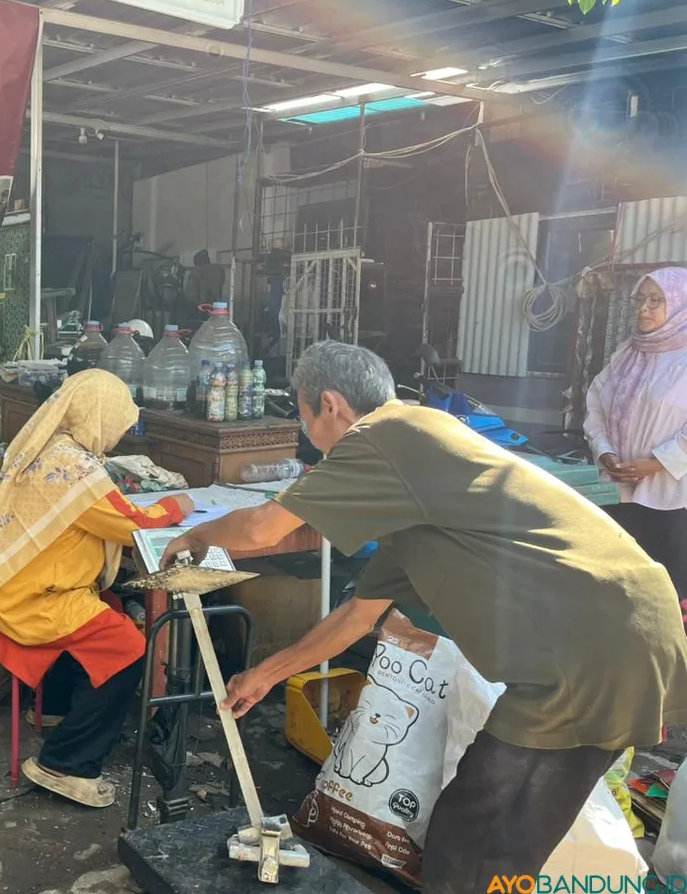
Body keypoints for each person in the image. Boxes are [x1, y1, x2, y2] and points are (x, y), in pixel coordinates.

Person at [163, 340, 687, 894]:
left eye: (302, 414)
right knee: (494, 829)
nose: (305, 432)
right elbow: (355, 619)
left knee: (481, 834)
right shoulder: (419, 471)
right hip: (616, 629)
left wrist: (194, 535)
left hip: (594, 646)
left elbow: (261, 529)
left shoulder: (383, 438)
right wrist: (265, 676)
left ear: (332, 405)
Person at [0, 369, 192, 808]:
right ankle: (66, 763)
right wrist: (176, 506)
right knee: (127, 645)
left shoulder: (51, 446)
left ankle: (54, 710)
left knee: (103, 603)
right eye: (117, 423)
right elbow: (132, 524)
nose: (119, 433)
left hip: (5, 583)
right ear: (98, 415)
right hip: (27, 598)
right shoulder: (74, 467)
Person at [585, 267, 687, 619]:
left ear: (678, 305)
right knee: (622, 584)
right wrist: (606, 451)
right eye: (640, 300)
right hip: (618, 490)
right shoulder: (628, 353)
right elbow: (596, 403)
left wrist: (656, 463)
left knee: (667, 594)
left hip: (670, 500)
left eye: (655, 300)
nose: (644, 308)